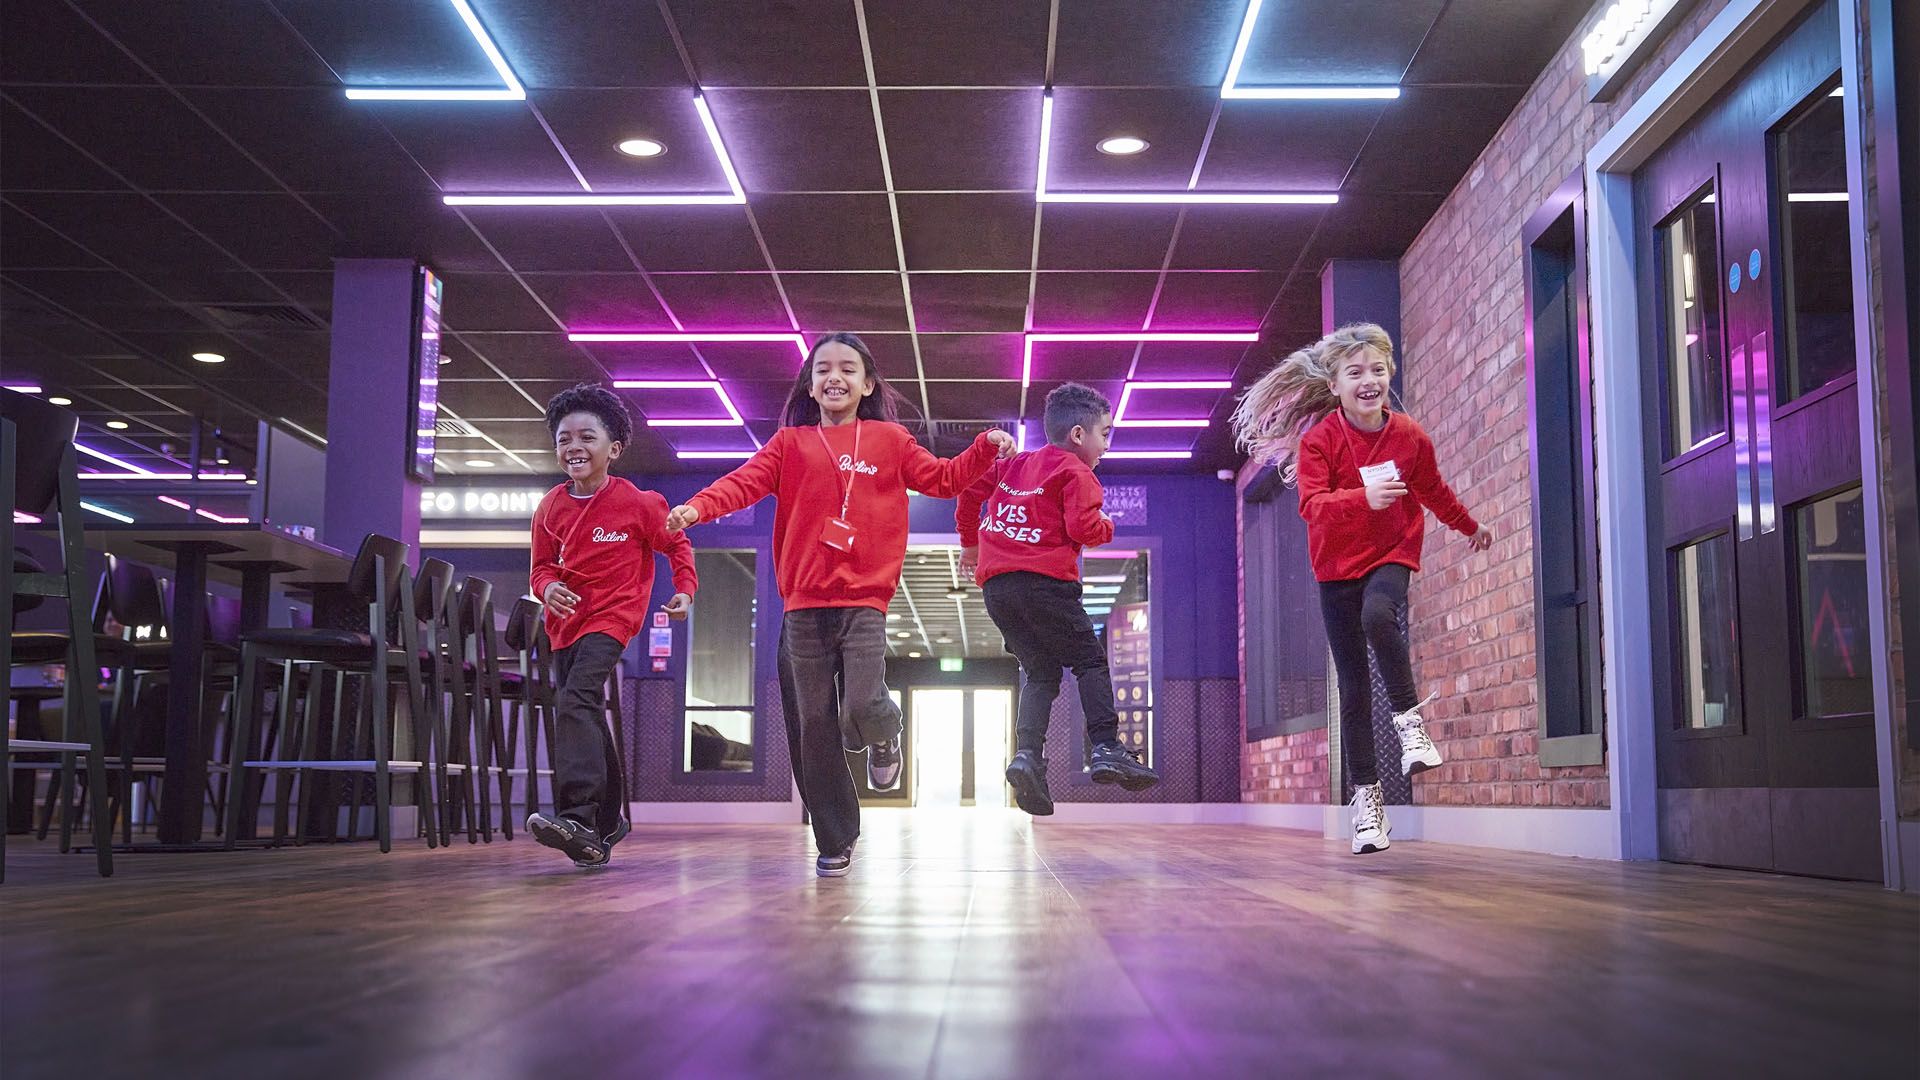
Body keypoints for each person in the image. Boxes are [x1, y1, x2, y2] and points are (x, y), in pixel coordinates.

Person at [665, 333, 1014, 877]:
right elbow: (742, 483)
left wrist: (984, 448)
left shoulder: (890, 439)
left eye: (848, 369)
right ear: (809, 385)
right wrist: (697, 508)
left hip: (864, 599)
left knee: (862, 704)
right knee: (815, 727)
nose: (835, 377)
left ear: (867, 384)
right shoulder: (789, 444)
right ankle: (835, 838)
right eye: (823, 369)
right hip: (803, 604)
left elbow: (943, 480)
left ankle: (884, 737)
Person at [1229, 323, 1492, 855]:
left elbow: (1432, 490)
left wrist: (1469, 526)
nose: (1368, 380)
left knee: (1379, 616)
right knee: (1352, 689)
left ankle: (1410, 725)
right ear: (1335, 385)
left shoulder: (1409, 436)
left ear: (1389, 374)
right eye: (1355, 372)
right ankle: (1368, 805)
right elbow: (1312, 506)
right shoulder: (1320, 441)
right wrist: (1362, 497)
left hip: (1392, 551)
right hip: (1335, 569)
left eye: (1377, 370)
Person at [956, 383, 1159, 817]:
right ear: (1079, 435)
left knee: (1041, 672)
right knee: (1089, 661)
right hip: (1046, 585)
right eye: (1105, 433)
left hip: (999, 591)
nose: (1107, 445)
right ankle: (1106, 745)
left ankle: (1028, 755)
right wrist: (1107, 525)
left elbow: (969, 492)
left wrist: (970, 544)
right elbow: (1085, 529)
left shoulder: (1013, 465)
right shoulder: (1077, 472)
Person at [526, 383, 697, 868]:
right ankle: (607, 823)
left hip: (614, 618)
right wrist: (547, 589)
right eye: (564, 439)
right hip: (565, 624)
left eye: (587, 437)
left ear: (614, 449)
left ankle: (577, 815)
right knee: (584, 709)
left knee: (575, 699)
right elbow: (540, 568)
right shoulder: (550, 507)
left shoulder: (639, 503)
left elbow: (677, 545)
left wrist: (685, 589)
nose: (574, 447)